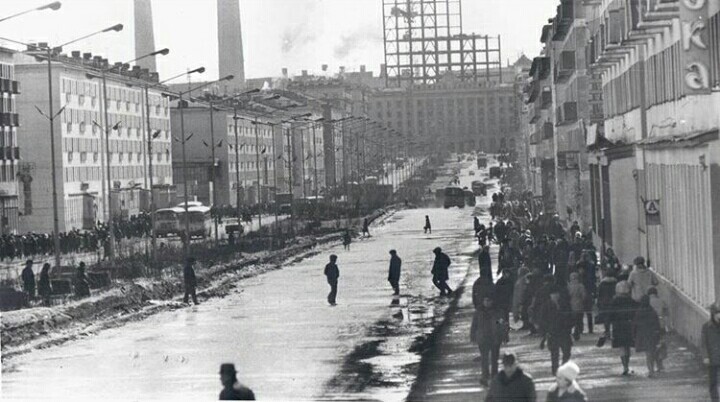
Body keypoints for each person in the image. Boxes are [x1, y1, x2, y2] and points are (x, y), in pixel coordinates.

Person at [539, 286, 574, 375]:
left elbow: (571, 317)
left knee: (567, 352)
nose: (555, 296)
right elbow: (542, 320)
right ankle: (555, 371)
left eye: (556, 294)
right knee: (554, 354)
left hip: (564, 332)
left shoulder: (565, 304)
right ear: (550, 295)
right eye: (553, 294)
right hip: (552, 333)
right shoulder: (546, 306)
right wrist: (544, 334)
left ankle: (563, 368)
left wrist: (570, 326)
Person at [471, 294, 505, 386]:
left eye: (489, 301)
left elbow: (502, 324)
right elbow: (474, 325)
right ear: (483, 301)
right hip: (483, 338)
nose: (487, 303)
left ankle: (494, 376)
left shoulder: (498, 312)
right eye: (485, 301)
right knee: (484, 358)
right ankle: (485, 376)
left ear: (492, 301)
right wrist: (473, 336)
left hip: (495, 338)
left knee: (494, 358)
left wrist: (504, 335)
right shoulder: (478, 312)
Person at [609, 281, 638, 375]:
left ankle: (624, 366)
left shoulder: (614, 301)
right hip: (629, 325)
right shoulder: (631, 301)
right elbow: (636, 313)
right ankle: (627, 364)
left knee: (621, 347)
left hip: (618, 326)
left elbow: (610, 315)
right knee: (628, 346)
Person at [633, 295, 662, 377]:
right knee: (651, 352)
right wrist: (658, 334)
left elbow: (635, 324)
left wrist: (634, 335)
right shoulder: (652, 311)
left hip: (642, 335)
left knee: (648, 354)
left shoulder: (638, 312)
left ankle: (650, 370)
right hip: (651, 335)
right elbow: (656, 324)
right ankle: (652, 369)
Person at [702, 303, 720, 402]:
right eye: (717, 313)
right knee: (713, 382)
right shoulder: (706, 327)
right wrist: (705, 356)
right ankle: (715, 400)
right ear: (713, 314)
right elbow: (703, 343)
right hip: (712, 357)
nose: (719, 315)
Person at [647, 287, 668, 371]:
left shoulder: (647, 302)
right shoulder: (661, 301)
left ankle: (652, 363)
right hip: (661, 325)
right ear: (656, 293)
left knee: (652, 345)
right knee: (661, 344)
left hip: (651, 326)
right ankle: (660, 363)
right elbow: (666, 313)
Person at [567, 272, 587, 341]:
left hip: (571, 305)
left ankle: (572, 330)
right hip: (579, 304)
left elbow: (567, 295)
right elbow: (584, 296)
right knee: (579, 319)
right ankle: (578, 330)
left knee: (572, 319)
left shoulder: (568, 286)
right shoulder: (581, 286)